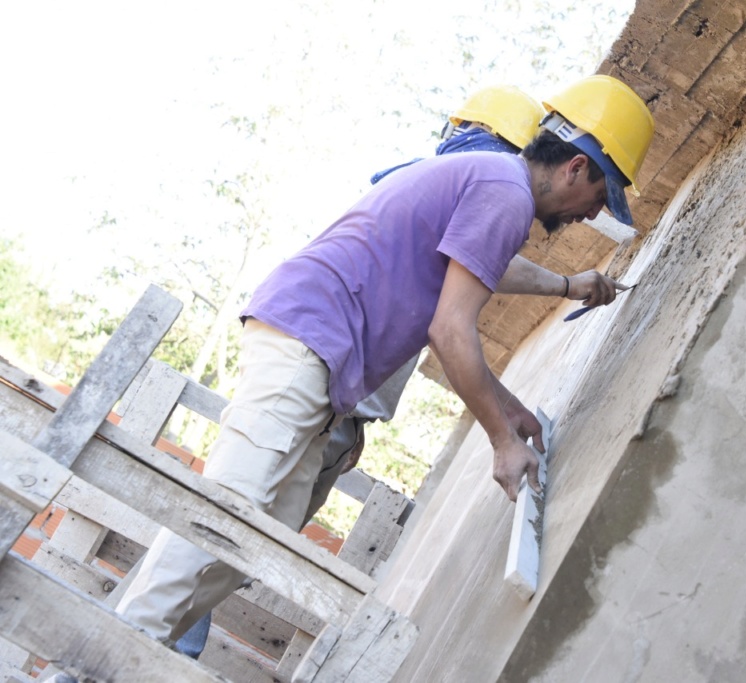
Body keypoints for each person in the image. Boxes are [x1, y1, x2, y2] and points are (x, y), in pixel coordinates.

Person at [59, 74, 655, 667]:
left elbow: (461, 302)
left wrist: (510, 403)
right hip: (305, 341)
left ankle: (132, 655)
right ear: (576, 167)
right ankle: (93, 661)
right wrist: (501, 439)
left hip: (318, 356)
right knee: (223, 511)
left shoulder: (491, 185)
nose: (593, 214)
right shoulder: (505, 192)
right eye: (602, 197)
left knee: (259, 535)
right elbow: (451, 330)